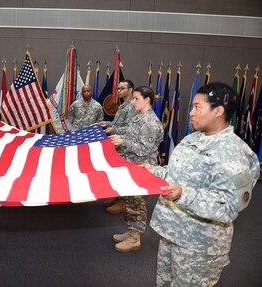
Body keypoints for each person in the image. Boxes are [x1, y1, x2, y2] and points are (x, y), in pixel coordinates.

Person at [143, 82, 259, 286]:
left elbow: (229, 206)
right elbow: (175, 174)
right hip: (172, 231)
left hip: (199, 245)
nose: (191, 112)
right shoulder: (192, 139)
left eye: (198, 107)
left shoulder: (233, 152)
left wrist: (182, 195)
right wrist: (154, 171)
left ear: (218, 111)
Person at [109, 86, 163, 252]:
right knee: (130, 201)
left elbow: (143, 149)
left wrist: (123, 142)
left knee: (137, 203)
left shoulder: (151, 122)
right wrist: (121, 137)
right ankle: (131, 230)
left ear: (147, 100)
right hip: (132, 165)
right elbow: (132, 136)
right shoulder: (138, 117)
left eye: (136, 98)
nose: (133, 102)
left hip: (142, 168)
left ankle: (135, 239)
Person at [99, 80, 137, 214]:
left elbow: (130, 127)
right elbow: (119, 123)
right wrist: (108, 123)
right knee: (118, 172)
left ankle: (123, 202)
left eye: (122, 88)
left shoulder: (132, 106)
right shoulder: (123, 105)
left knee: (123, 174)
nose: (119, 91)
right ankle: (118, 197)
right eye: (118, 88)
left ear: (130, 90)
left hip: (125, 144)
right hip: (118, 144)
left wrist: (112, 129)